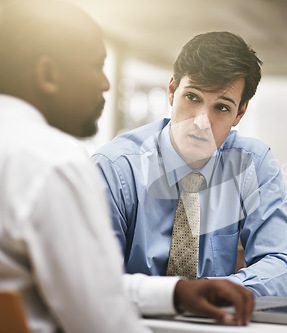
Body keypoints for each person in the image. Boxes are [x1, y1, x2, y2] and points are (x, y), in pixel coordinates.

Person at [0, 1, 253, 332]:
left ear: (239, 113)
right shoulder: (54, 163)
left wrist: (174, 291)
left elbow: (89, 286)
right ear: (48, 74)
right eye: (95, 65)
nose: (106, 83)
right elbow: (102, 319)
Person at [92, 31, 287, 298]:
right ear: (172, 91)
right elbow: (93, 282)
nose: (201, 121)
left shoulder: (252, 163)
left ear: (239, 113)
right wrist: (175, 296)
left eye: (222, 108)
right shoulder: (115, 169)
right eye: (192, 97)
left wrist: (214, 293)